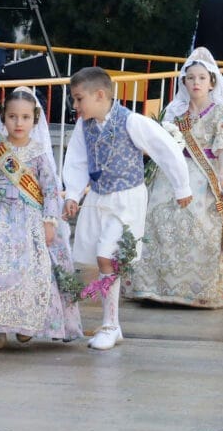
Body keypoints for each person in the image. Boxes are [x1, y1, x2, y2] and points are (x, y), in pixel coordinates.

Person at [61, 66, 192, 351]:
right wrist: (72, 193)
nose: (75, 105)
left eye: (78, 99)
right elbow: (78, 160)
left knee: (107, 256)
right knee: (98, 260)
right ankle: (113, 325)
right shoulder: (85, 126)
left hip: (125, 199)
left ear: (99, 95)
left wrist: (182, 186)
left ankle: (109, 324)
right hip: (98, 198)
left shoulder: (131, 121)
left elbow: (165, 148)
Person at [0, 88, 83, 348]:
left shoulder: (38, 154)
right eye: (13, 116)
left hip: (29, 222)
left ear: (34, 120)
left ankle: (26, 324)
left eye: (25, 117)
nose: (18, 122)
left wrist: (50, 222)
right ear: (4, 118)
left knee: (27, 274)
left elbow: (48, 191)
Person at [125, 49, 223, 309]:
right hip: (175, 171)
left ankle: (196, 287)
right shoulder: (174, 112)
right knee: (157, 213)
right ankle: (156, 285)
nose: (196, 83)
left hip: (205, 171)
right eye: (191, 78)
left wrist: (222, 175)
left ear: (212, 82)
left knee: (200, 218)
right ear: (184, 82)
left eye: (202, 78)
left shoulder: (221, 111)